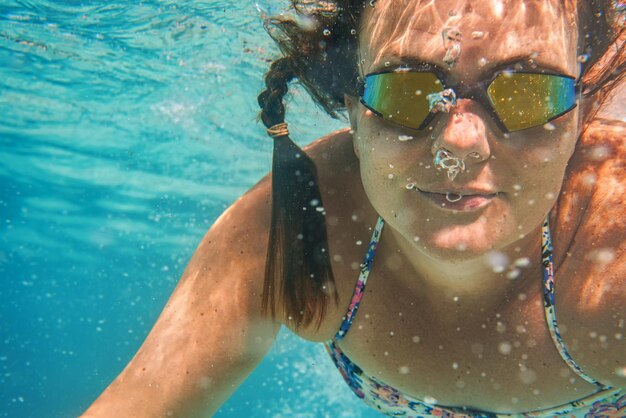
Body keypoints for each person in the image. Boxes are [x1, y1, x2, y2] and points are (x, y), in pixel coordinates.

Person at [82, 0, 626, 416]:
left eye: (527, 93)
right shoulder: (302, 218)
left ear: (583, 112)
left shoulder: (615, 247)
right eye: (407, 93)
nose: (460, 142)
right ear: (355, 115)